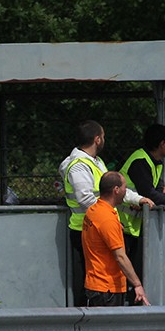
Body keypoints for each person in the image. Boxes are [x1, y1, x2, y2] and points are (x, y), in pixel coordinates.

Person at [59, 120, 151, 305]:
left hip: (99, 226)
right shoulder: (78, 166)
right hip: (85, 229)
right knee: (93, 280)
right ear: (97, 139)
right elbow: (86, 199)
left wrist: (138, 199)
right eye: (104, 137)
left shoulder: (96, 162)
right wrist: (107, 215)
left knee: (106, 273)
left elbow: (112, 189)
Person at [119, 123, 165, 295]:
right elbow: (152, 194)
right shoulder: (140, 161)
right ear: (162, 144)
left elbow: (157, 191)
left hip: (134, 225)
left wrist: (159, 195)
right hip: (121, 223)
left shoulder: (155, 162)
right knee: (123, 270)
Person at [81, 171, 150, 306]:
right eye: (125, 187)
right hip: (107, 289)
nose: (126, 191)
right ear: (116, 190)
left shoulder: (93, 210)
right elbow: (120, 257)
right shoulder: (107, 219)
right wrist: (137, 285)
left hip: (96, 285)